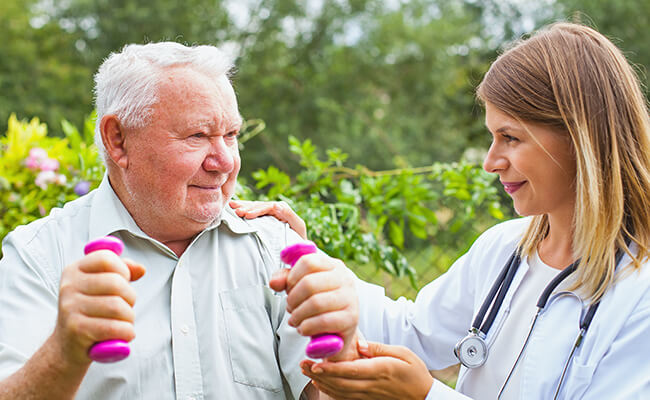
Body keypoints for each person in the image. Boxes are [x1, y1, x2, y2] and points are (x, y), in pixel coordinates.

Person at [231, 22, 650, 399]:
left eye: (510, 138)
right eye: (492, 137)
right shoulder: (504, 250)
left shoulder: (639, 294)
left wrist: (425, 396)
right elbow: (412, 331)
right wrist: (309, 259)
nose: (491, 161)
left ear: (580, 138)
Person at [0, 42, 353, 399]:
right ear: (118, 141)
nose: (225, 161)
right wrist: (64, 352)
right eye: (197, 136)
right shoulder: (40, 257)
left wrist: (342, 339)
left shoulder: (277, 246)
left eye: (231, 135)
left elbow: (331, 392)